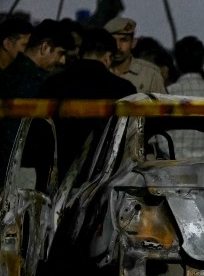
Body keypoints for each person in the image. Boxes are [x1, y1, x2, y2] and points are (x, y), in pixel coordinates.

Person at [39, 28, 137, 171]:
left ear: (80, 53)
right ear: (108, 57)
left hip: (53, 173)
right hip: (103, 177)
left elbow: (39, 133)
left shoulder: (51, 84)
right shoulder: (123, 89)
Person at [0, 19, 76, 170]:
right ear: (45, 47)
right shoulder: (39, 84)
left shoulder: (8, 74)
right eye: (60, 53)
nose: (62, 61)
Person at [105, 17, 166, 93]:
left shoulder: (150, 73)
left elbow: (162, 103)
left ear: (133, 42)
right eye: (113, 41)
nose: (118, 47)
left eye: (124, 40)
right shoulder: (98, 72)